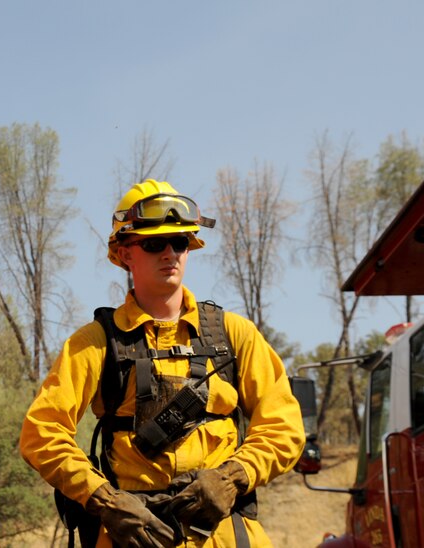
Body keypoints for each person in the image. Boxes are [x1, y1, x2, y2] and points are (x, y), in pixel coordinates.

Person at [20, 179, 304, 547]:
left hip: (227, 537)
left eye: (180, 242)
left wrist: (234, 476)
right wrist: (104, 499)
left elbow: (284, 428)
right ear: (125, 254)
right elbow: (41, 433)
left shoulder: (234, 335)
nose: (170, 253)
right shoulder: (95, 342)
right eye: (154, 244)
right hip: (136, 537)